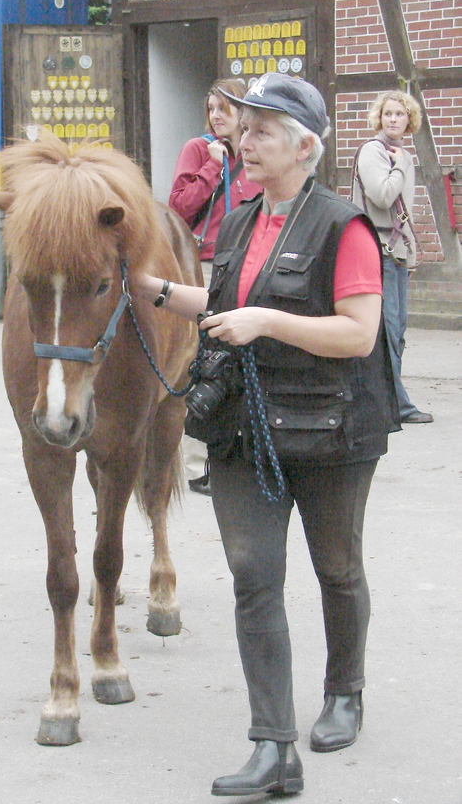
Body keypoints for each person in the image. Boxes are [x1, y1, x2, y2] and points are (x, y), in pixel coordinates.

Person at [132, 73, 399, 796]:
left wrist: (267, 323)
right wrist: (149, 286)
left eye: (259, 131)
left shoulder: (343, 225)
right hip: (244, 429)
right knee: (254, 579)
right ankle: (274, 748)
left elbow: (358, 333)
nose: (241, 142)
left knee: (337, 567)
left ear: (303, 145)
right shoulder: (247, 218)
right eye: (240, 129)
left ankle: (345, 690)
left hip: (332, 428)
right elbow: (221, 301)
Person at [169, 79, 261, 494]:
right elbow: (179, 208)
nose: (217, 116)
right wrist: (212, 166)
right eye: (211, 108)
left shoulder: (257, 151)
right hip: (207, 265)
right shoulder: (198, 148)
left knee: (246, 359)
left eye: (225, 107)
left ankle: (242, 451)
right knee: (203, 360)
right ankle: (196, 464)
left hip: (251, 265)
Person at [352, 90, 433, 424]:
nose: (393, 120)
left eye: (400, 114)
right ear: (379, 118)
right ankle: (393, 404)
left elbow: (405, 211)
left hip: (396, 253)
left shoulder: (401, 154)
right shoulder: (375, 151)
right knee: (386, 330)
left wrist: (410, 255)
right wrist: (399, 165)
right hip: (379, 251)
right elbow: (382, 196)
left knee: (396, 331)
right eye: (388, 114)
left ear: (408, 119)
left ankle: (385, 401)